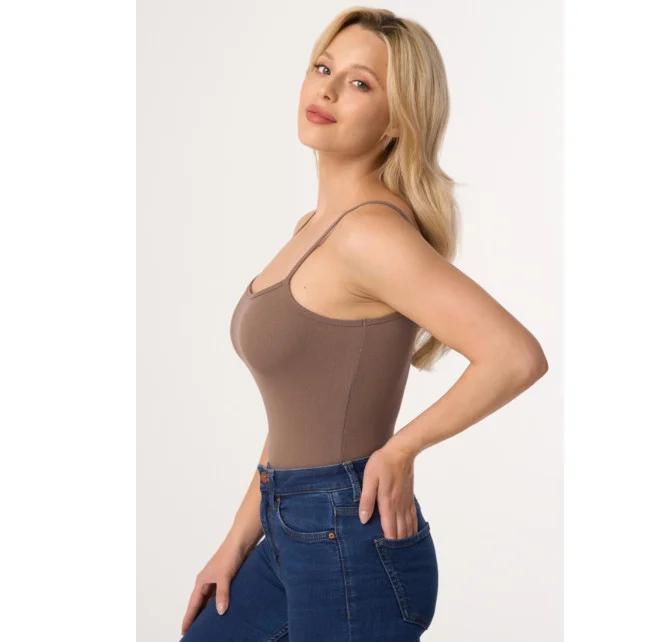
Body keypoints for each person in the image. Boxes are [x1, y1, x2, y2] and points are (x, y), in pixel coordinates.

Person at [180, 7, 548, 641]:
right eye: (323, 68)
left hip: (347, 538)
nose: (327, 90)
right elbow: (300, 413)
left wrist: (401, 448)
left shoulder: (370, 234)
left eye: (359, 83)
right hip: (289, 527)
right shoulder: (312, 228)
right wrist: (236, 543)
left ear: (397, 120)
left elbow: (516, 356)